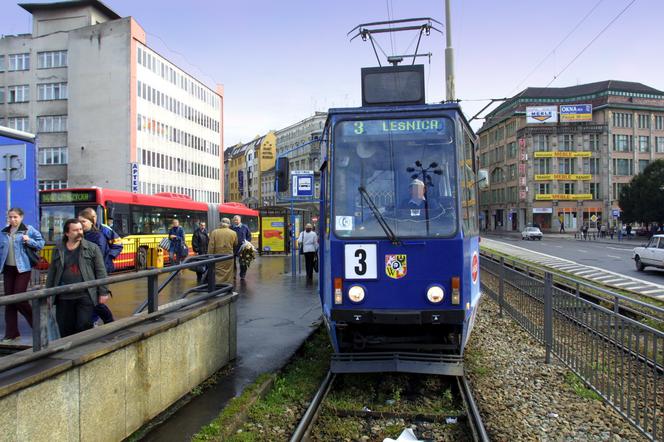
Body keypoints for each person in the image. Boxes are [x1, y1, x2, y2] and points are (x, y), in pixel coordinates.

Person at [46, 219, 110, 337]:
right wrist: (48, 294)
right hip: (63, 296)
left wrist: (103, 292)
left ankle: (82, 352)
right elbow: (52, 273)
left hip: (85, 295)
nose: (79, 232)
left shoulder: (92, 248)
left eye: (80, 229)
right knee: (65, 329)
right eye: (75, 230)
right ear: (67, 233)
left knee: (83, 326)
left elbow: (101, 271)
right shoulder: (58, 249)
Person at [0, 208, 45, 342]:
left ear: (21, 217)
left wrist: (29, 240)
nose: (12, 220)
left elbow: (41, 244)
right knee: (9, 301)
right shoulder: (4, 232)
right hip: (8, 269)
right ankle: (11, 333)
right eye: (10, 217)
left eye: (15, 217)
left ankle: (37, 325)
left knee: (19, 297)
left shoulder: (28, 230)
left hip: (23, 269)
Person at [78, 211, 114, 324]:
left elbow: (99, 257)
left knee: (95, 301)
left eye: (83, 221)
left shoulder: (98, 236)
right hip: (85, 273)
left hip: (95, 272)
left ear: (91, 221)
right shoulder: (81, 235)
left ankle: (106, 321)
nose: (81, 224)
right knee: (91, 300)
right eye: (79, 221)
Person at [78, 207, 123, 273]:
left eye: (93, 216)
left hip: (103, 266)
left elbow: (118, 242)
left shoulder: (104, 229)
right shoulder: (81, 231)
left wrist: (109, 256)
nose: (93, 218)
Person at [208, 218, 237, 285]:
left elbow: (211, 246)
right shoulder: (233, 233)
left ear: (220, 223)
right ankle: (227, 286)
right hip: (229, 256)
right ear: (229, 224)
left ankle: (218, 286)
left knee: (218, 271)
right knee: (228, 272)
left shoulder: (214, 232)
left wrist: (210, 256)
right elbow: (235, 244)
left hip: (217, 256)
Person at [230, 215, 252, 279]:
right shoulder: (231, 228)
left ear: (240, 220)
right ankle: (234, 274)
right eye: (234, 220)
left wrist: (247, 242)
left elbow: (249, 236)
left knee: (243, 262)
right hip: (233, 247)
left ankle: (243, 274)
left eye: (237, 220)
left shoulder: (245, 227)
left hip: (242, 247)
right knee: (232, 262)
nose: (236, 221)